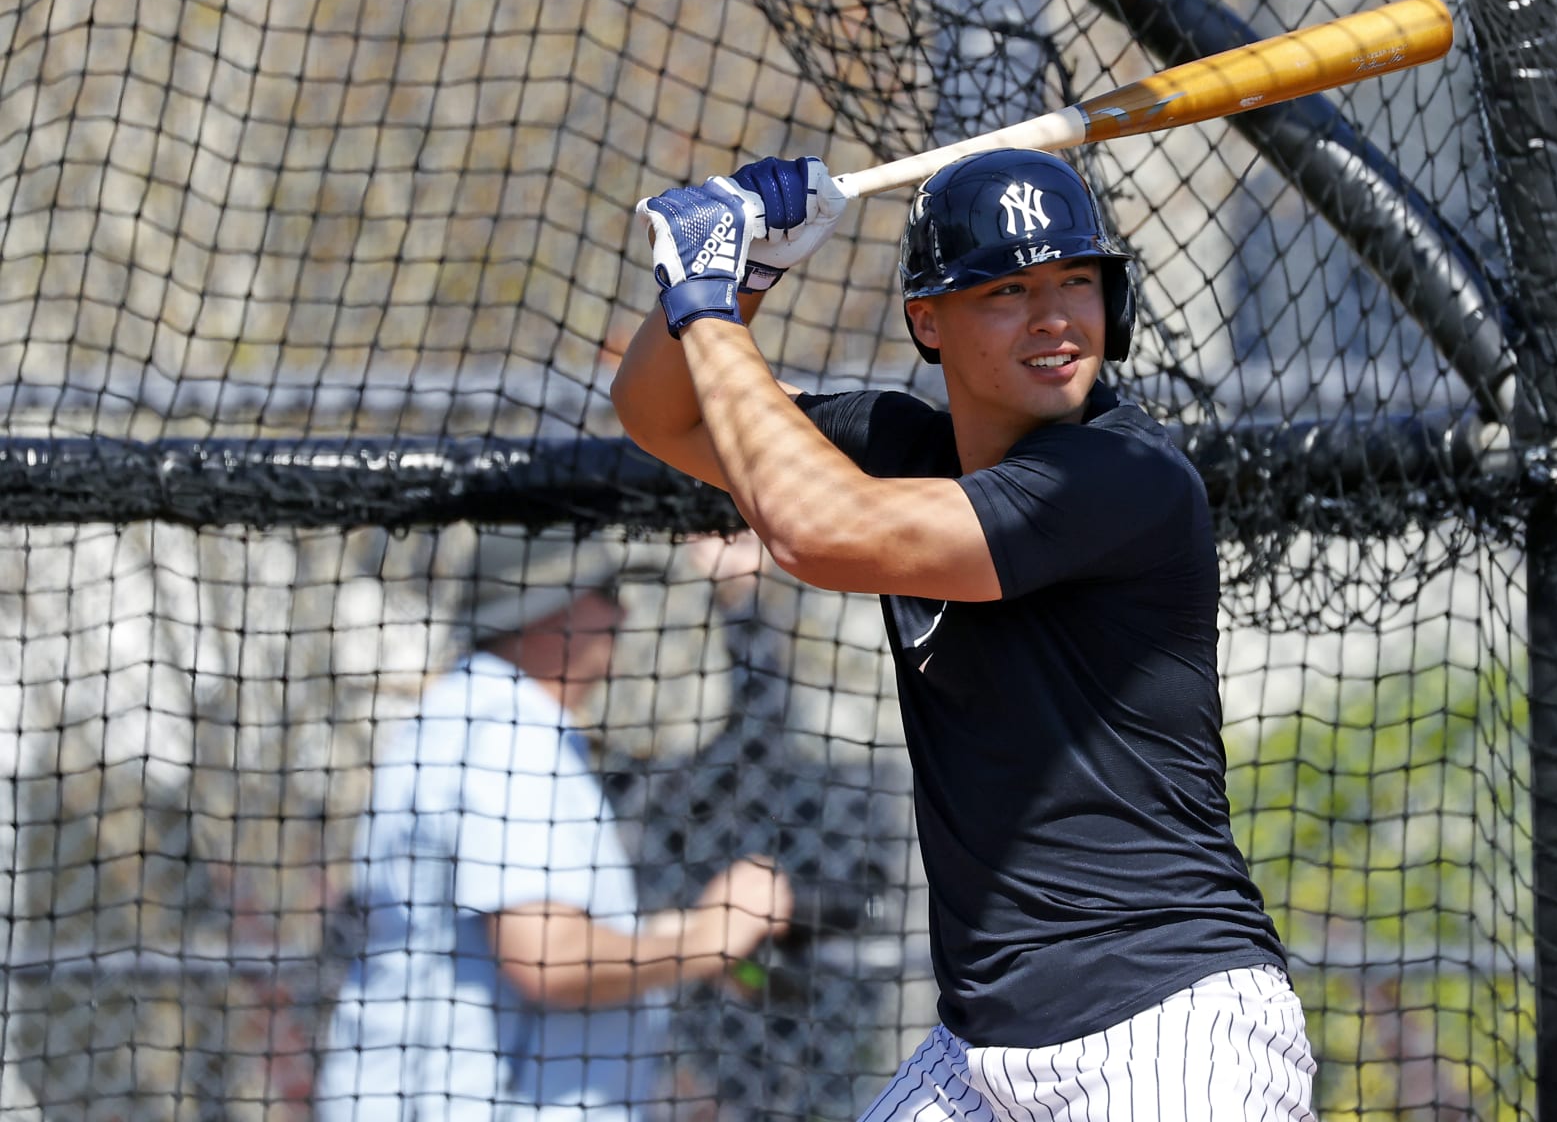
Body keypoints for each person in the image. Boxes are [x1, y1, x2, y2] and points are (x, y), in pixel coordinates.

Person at [611, 149, 1316, 1119]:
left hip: (1166, 1030)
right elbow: (659, 412)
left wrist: (707, 300)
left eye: (1077, 281)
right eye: (1007, 291)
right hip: (984, 1051)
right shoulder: (902, 447)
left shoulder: (1120, 475)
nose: (1056, 317)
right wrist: (742, 276)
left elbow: (815, 532)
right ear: (927, 322)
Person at [313, 527, 793, 1121]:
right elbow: (548, 957)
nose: (620, 611)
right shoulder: (510, 734)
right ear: (546, 609)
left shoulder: (454, 716)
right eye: (604, 591)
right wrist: (713, 937)